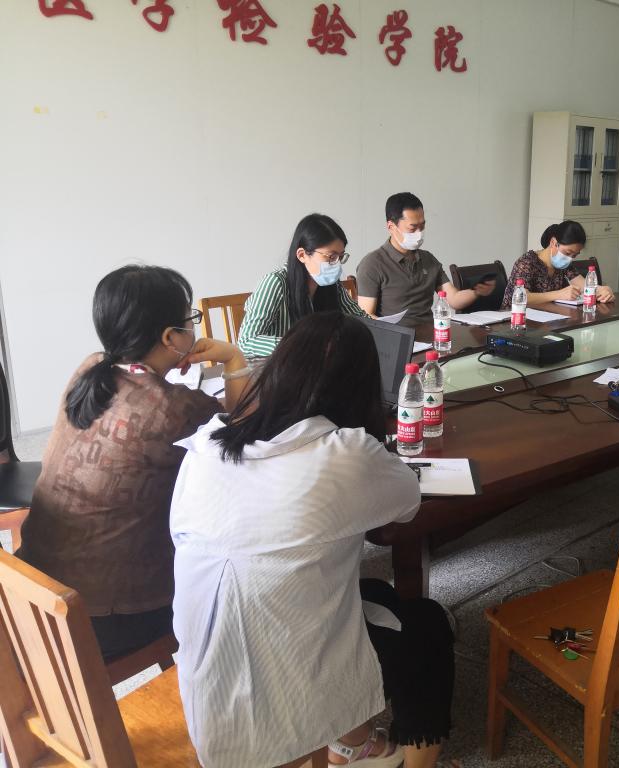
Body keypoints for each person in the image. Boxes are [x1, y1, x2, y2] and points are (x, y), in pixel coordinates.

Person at [171, 312, 456, 768]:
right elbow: (407, 503)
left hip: (207, 686)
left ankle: (351, 742)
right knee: (427, 624)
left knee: (375, 593)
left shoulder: (207, 444)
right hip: (288, 697)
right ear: (362, 388)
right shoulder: (346, 453)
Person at [17, 265, 251, 660]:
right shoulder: (174, 409)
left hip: (32, 589)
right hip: (102, 618)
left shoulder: (89, 369)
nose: (193, 328)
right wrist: (232, 357)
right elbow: (243, 428)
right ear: (170, 337)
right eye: (190, 320)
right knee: (233, 579)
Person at [237, 213, 368, 358]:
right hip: (279, 366)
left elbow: (361, 319)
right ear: (302, 255)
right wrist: (303, 344)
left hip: (317, 364)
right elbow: (246, 341)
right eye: (331, 257)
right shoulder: (276, 282)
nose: (337, 264)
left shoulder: (332, 284)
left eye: (341, 256)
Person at [357, 192, 488, 326]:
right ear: (391, 227)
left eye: (422, 226)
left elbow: (453, 299)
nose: (419, 233)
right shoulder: (372, 264)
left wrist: (477, 290)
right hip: (397, 336)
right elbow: (366, 316)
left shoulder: (428, 259)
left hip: (431, 333)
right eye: (412, 228)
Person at [500, 220, 615, 308]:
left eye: (574, 255)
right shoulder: (526, 263)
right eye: (568, 253)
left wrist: (602, 290)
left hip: (548, 318)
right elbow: (520, 297)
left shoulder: (564, 265)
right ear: (553, 242)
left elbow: (583, 285)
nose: (569, 259)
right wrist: (559, 294)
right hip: (516, 320)